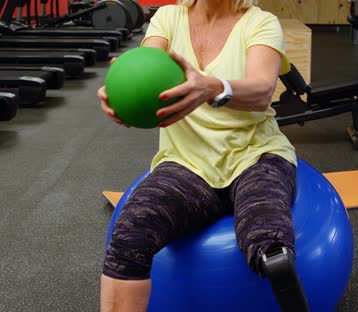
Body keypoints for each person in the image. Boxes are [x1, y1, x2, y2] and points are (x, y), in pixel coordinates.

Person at [98, 0, 309, 311]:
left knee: (268, 238)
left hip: (254, 156)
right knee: (130, 234)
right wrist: (122, 89)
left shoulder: (260, 22)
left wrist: (213, 88)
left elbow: (262, 91)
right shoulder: (168, 19)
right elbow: (145, 69)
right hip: (186, 163)